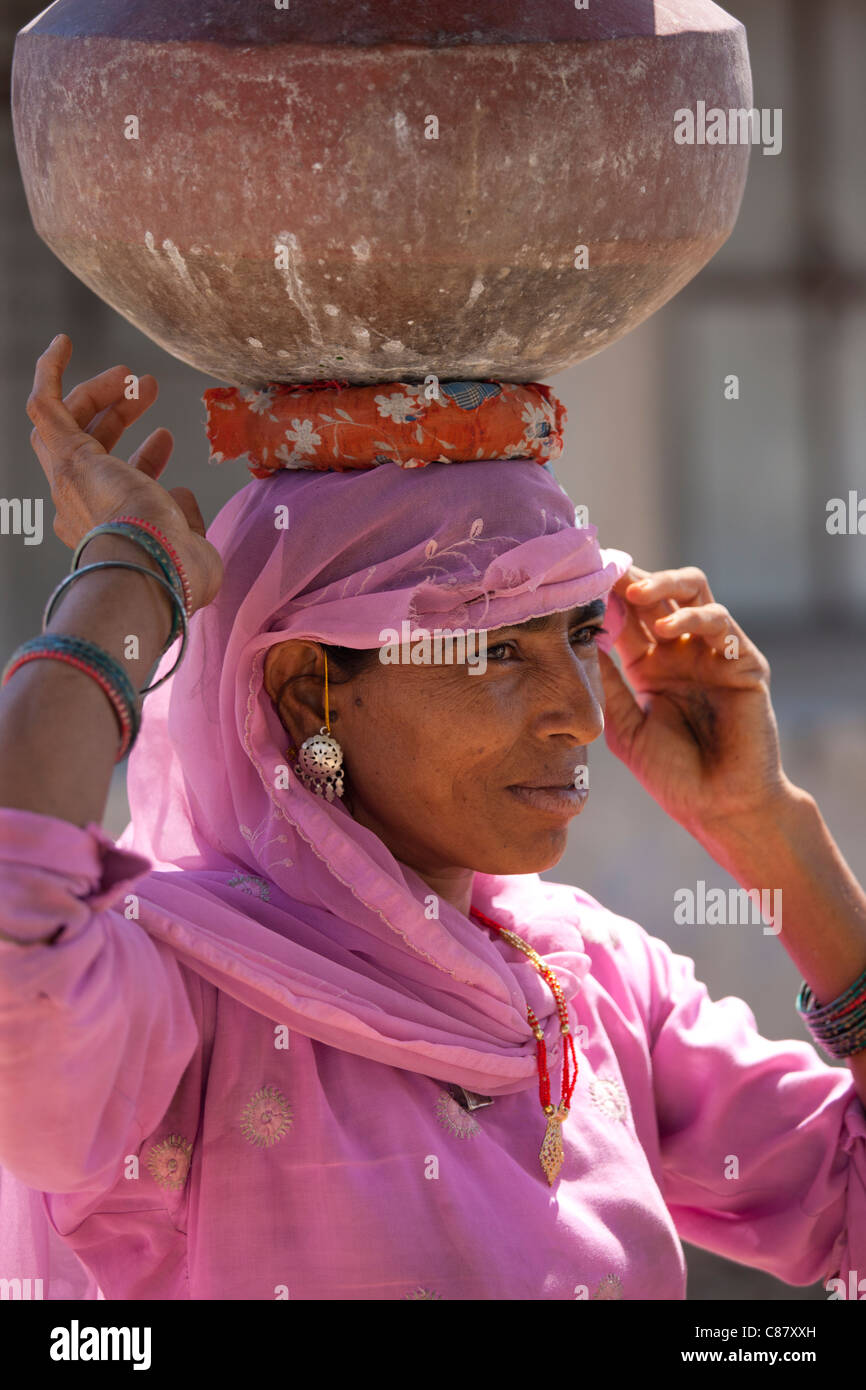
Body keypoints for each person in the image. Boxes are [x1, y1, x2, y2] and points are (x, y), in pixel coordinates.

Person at [0, 333, 864, 1301]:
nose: (579, 710)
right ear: (304, 695)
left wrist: (761, 825)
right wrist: (132, 566)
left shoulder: (582, 983)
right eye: (493, 649)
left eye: (579, 634)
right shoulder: (183, 1015)